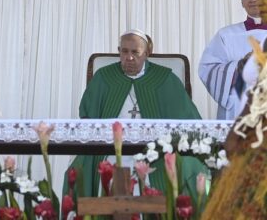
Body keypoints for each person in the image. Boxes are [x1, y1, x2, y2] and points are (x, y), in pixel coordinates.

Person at [64, 29, 203, 198]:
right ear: (119, 51)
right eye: (124, 51)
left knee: (193, 167)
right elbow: (87, 116)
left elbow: (188, 120)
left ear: (147, 53)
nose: (129, 57)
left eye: (135, 52)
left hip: (156, 150)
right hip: (110, 149)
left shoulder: (165, 79)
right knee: (79, 170)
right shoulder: (104, 77)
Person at [198, 0, 267, 120]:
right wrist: (241, 65)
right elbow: (208, 68)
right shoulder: (226, 34)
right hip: (238, 105)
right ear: (242, 2)